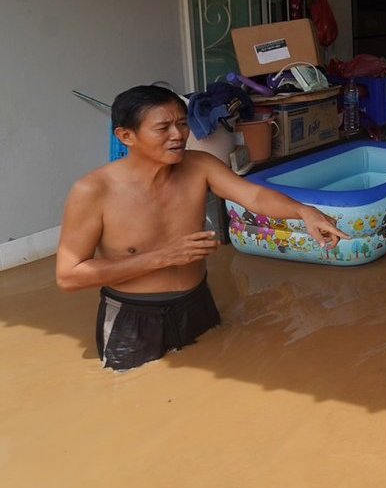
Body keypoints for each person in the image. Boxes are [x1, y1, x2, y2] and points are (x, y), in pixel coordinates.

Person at [55, 85, 350, 371]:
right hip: (133, 318)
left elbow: (254, 196)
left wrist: (302, 211)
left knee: (214, 376)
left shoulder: (199, 166)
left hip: (196, 304)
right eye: (163, 128)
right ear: (126, 136)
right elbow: (69, 276)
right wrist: (162, 257)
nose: (178, 135)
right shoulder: (93, 190)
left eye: (182, 124)